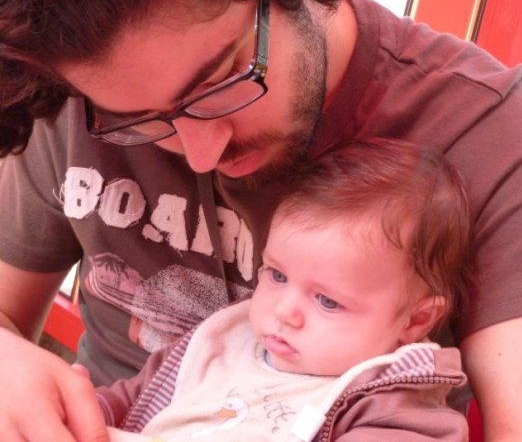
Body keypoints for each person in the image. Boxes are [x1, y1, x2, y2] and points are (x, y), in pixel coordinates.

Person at [0, 0, 522, 441]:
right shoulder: (76, 91)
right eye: (141, 120)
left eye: (223, 80)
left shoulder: (486, 134)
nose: (202, 154)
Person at [99, 139, 472, 441]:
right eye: (277, 275)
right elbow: (130, 399)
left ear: (416, 320)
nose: (283, 311)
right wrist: (86, 414)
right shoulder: (221, 342)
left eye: (327, 301)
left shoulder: (393, 408)